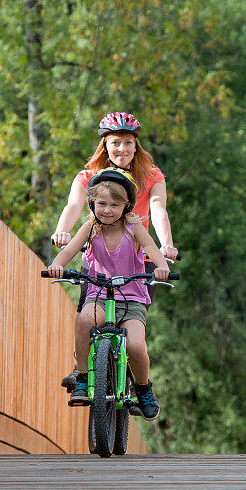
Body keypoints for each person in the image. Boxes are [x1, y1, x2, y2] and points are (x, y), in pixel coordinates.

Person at [52, 112, 177, 390]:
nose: (122, 149)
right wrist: (63, 231)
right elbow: (73, 206)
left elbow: (158, 209)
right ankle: (82, 368)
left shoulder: (151, 175)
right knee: (86, 309)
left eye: (129, 142)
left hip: (140, 258)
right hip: (101, 255)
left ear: (137, 146)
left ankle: (134, 374)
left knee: (133, 320)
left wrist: (166, 244)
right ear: (105, 146)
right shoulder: (89, 177)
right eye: (116, 142)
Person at [47, 168, 170, 419]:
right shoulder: (91, 227)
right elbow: (70, 250)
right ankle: (83, 378)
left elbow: (149, 246)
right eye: (101, 204)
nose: (107, 210)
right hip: (99, 295)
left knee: (135, 345)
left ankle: (144, 389)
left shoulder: (133, 226)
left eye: (115, 205)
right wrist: (58, 263)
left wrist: (162, 266)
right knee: (83, 320)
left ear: (126, 206)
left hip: (131, 297)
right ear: (92, 204)